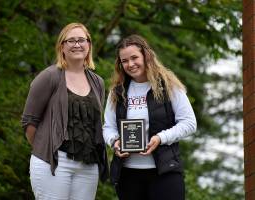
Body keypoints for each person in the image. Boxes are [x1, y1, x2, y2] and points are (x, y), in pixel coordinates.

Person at [103, 34, 197, 200]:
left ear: (146, 56)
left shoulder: (168, 85)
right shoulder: (116, 92)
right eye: (124, 61)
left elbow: (189, 123)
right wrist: (115, 142)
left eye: (134, 58)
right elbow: (108, 127)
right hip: (128, 175)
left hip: (165, 172)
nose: (130, 64)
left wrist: (160, 138)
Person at [21, 22, 108, 200]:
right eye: (71, 40)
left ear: (89, 45)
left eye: (82, 40)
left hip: (88, 165)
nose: (77, 44)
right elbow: (29, 122)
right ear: (62, 46)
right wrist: (45, 148)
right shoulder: (49, 76)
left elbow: (96, 123)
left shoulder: (98, 82)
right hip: (53, 162)